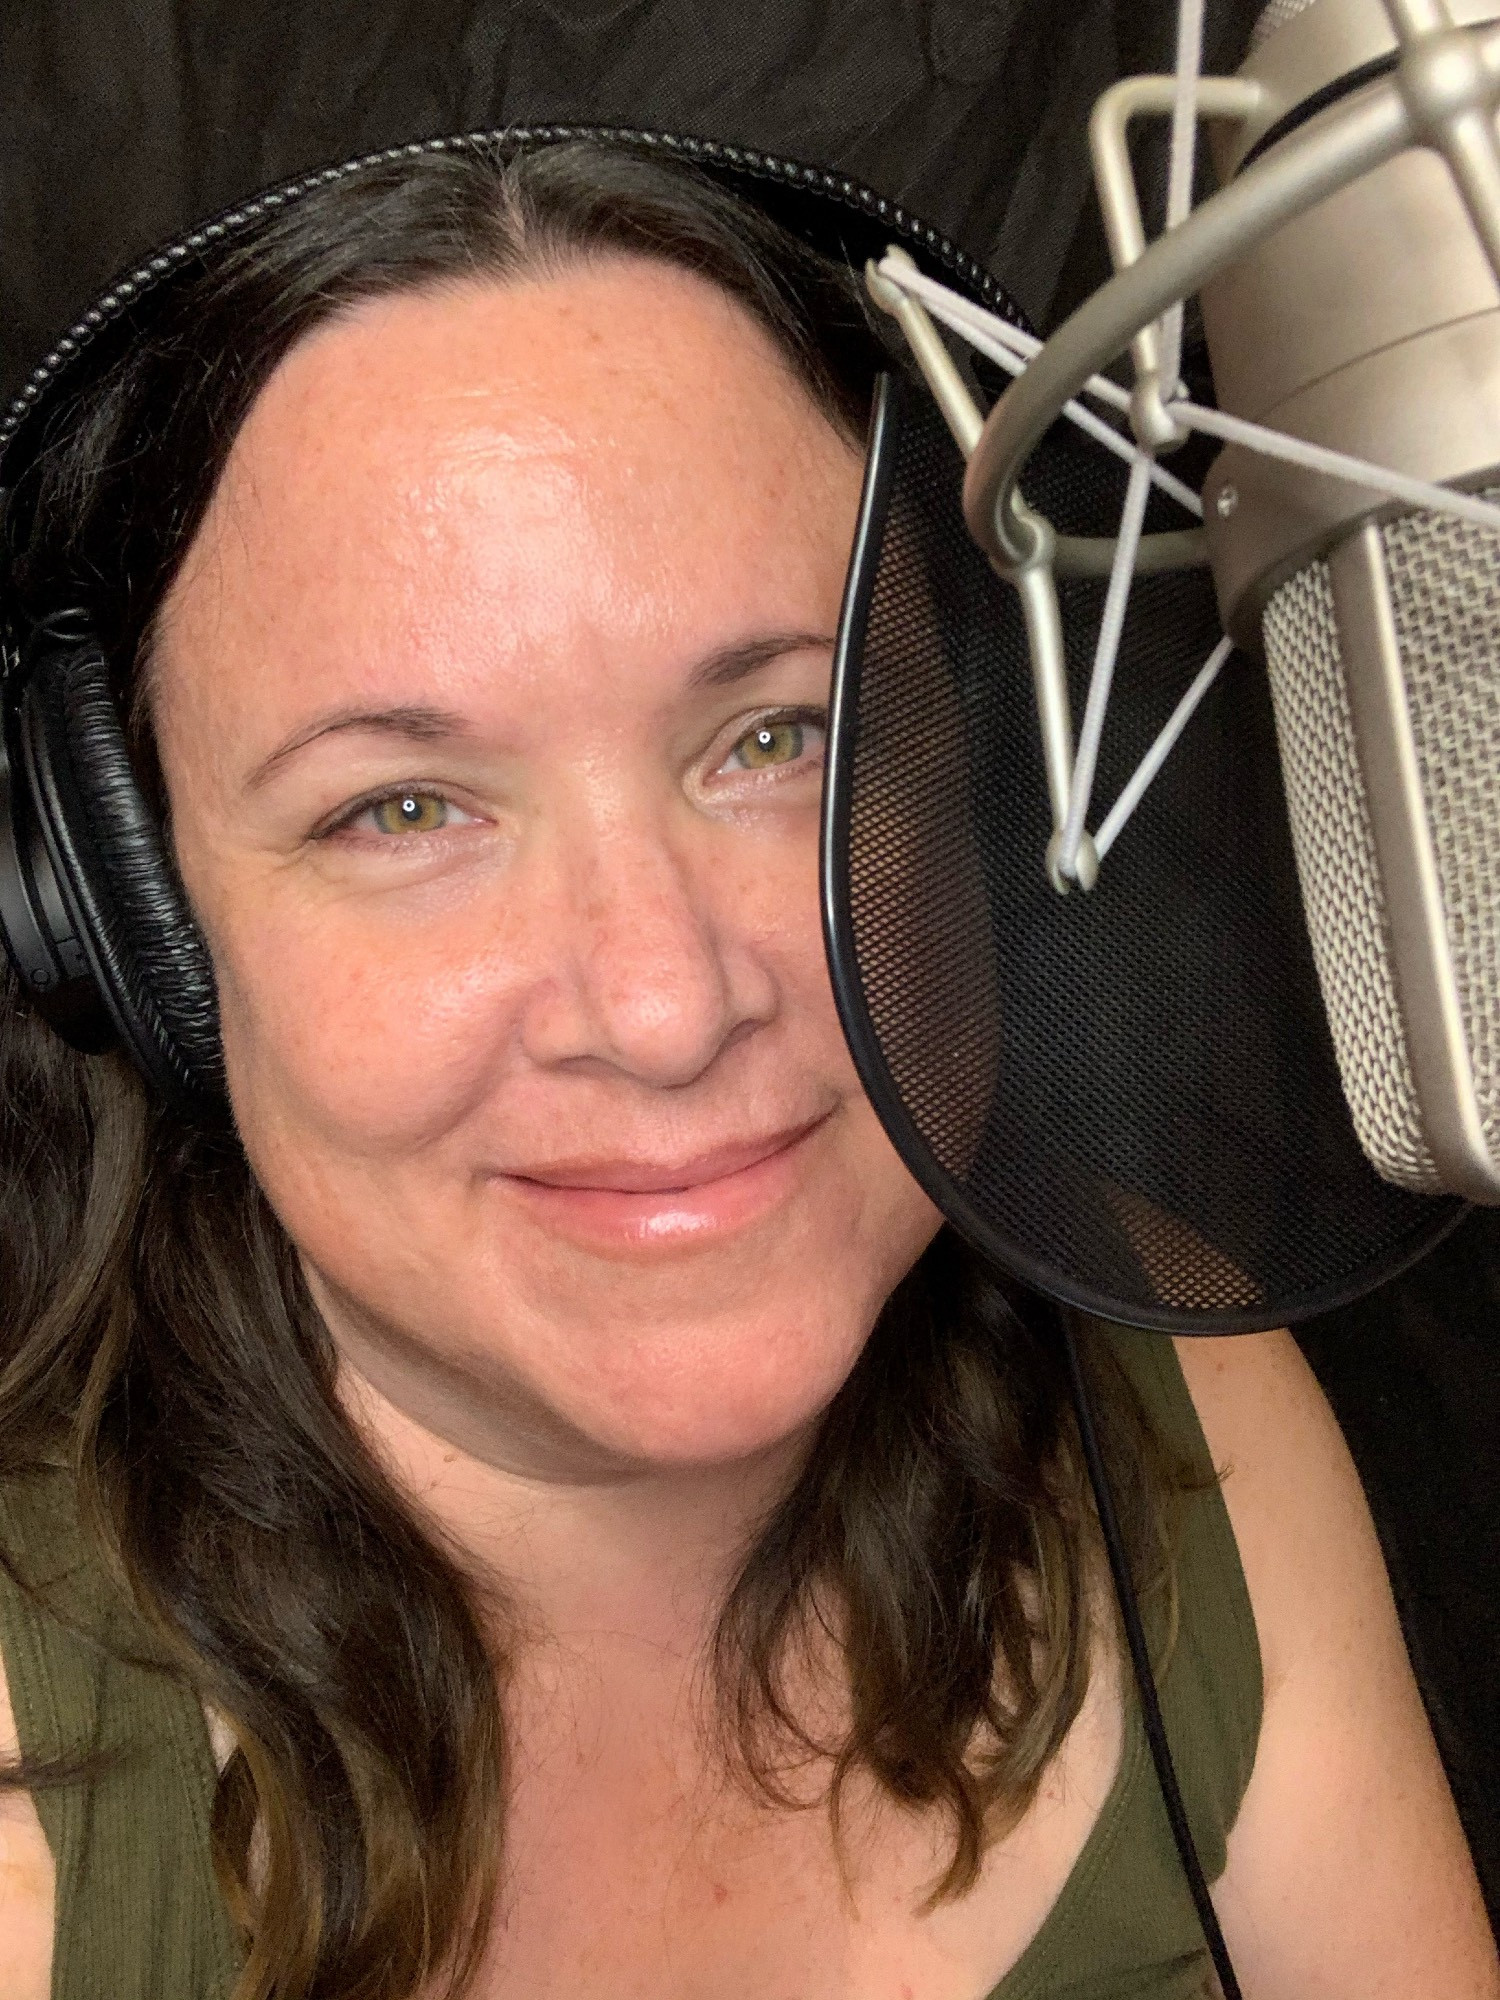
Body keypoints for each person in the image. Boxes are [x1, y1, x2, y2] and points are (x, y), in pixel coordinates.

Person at [0, 138, 1494, 2000]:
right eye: (403, 808)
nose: (663, 1003)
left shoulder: (1176, 1394)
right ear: (129, 934)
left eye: (780, 734)